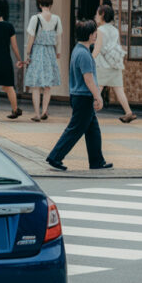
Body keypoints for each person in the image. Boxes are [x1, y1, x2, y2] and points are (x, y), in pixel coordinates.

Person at [46, 20, 111, 171]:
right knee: (75, 129)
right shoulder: (84, 54)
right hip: (83, 97)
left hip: (79, 96)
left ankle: (97, 161)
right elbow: (88, 78)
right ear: (90, 36)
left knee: (93, 130)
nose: (96, 35)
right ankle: (55, 156)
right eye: (95, 33)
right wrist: (98, 96)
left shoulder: (79, 50)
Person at [94, 4, 137, 123]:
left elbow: (97, 49)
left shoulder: (100, 30)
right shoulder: (115, 30)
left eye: (97, 14)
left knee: (96, 91)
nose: (95, 16)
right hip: (115, 65)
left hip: (102, 66)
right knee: (119, 90)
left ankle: (88, 113)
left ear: (102, 15)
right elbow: (116, 46)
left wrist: (90, 58)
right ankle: (128, 112)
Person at [23, 0, 62, 122]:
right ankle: (45, 110)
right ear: (50, 4)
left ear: (39, 4)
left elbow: (31, 38)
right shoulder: (56, 19)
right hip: (50, 52)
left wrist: (27, 53)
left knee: (36, 84)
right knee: (47, 85)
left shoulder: (36, 18)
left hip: (38, 51)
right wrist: (58, 51)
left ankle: (37, 113)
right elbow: (59, 38)